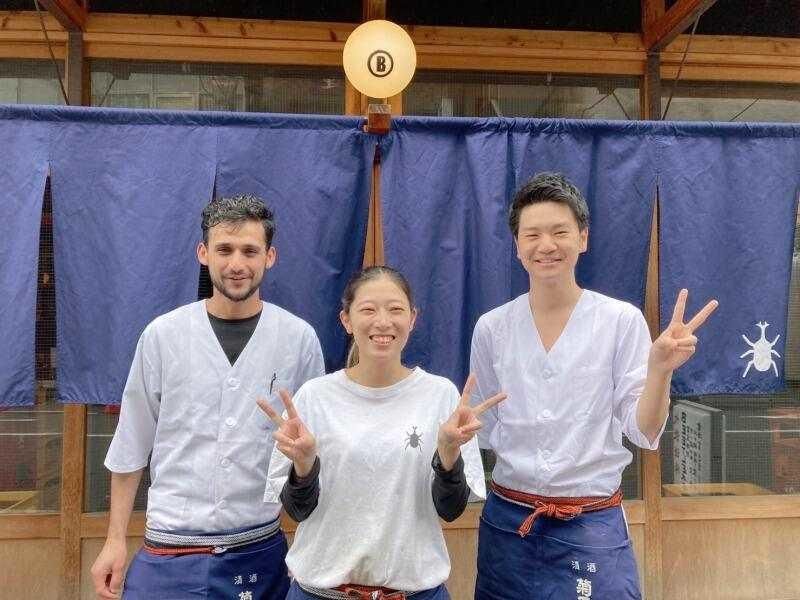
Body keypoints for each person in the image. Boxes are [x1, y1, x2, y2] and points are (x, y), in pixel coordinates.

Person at [470, 172, 718, 599]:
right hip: (510, 522)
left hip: (591, 522)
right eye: (532, 234)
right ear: (517, 246)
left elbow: (643, 429)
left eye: (559, 232)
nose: (546, 245)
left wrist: (660, 371)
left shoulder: (620, 321)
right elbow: (488, 429)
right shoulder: (492, 328)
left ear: (583, 238)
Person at [90, 194, 324, 599]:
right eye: (224, 250)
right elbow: (132, 442)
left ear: (269, 257)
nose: (237, 264)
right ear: (203, 253)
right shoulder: (163, 335)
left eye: (250, 251)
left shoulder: (298, 339)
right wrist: (114, 540)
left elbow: (314, 453)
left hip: (257, 546)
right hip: (169, 546)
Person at [259, 266, 506, 600]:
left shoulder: (441, 396)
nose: (383, 322)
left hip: (415, 593)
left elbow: (450, 510)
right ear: (346, 320)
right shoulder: (314, 398)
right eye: (368, 310)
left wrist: (448, 454)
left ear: (412, 318)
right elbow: (297, 510)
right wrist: (304, 466)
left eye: (395, 309)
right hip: (322, 593)